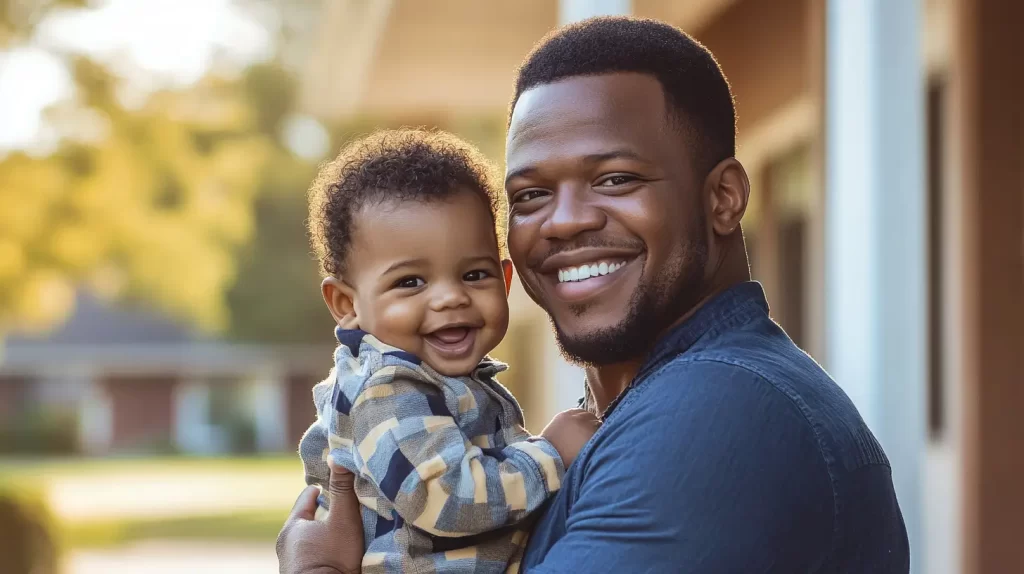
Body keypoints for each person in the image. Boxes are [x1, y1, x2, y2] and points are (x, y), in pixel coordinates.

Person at [280, 16, 910, 573]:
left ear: (723, 199)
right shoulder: (650, 403)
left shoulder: (718, 411)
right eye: (530, 195)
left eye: (615, 178)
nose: (564, 221)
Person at [298, 129, 600, 573]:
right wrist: (551, 454)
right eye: (410, 282)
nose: (449, 298)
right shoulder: (386, 392)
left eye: (474, 275)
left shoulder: (439, 382)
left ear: (505, 281)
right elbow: (447, 499)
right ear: (347, 304)